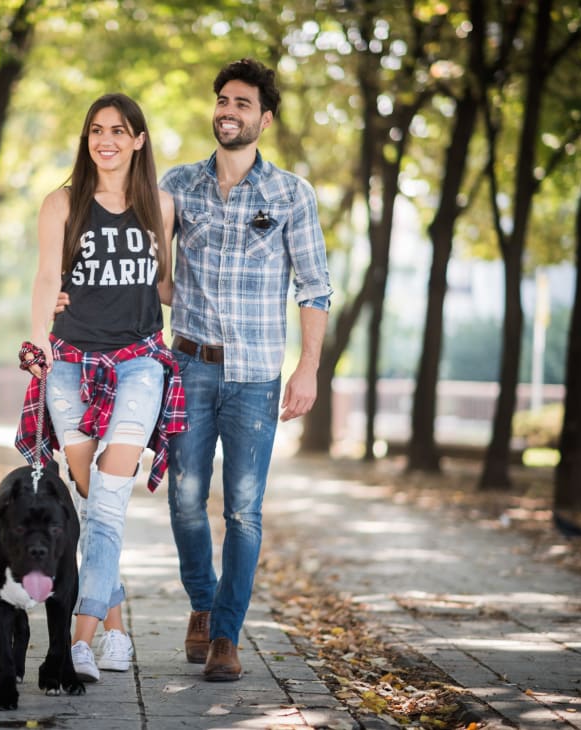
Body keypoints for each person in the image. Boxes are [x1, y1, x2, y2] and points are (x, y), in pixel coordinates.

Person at [161, 58, 332, 681]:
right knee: (183, 502)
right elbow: (146, 267)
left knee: (243, 511)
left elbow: (314, 288)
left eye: (241, 104)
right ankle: (203, 606)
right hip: (188, 368)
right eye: (222, 101)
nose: (228, 112)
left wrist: (307, 370)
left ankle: (226, 636)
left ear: (264, 117)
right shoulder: (177, 185)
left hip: (257, 376)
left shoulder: (292, 194)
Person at [15, 93, 186, 683]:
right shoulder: (61, 203)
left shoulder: (161, 206)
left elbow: (165, 286)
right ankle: (118, 630)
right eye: (95, 130)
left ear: (139, 138)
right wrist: (39, 338)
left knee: (108, 504)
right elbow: (45, 277)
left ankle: (76, 642)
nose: (105, 139)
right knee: (94, 507)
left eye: (118, 130)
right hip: (69, 365)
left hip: (139, 362)